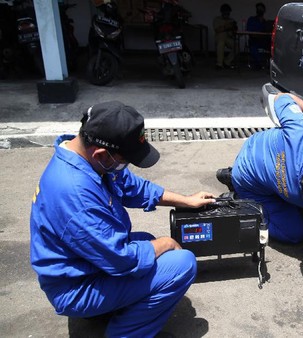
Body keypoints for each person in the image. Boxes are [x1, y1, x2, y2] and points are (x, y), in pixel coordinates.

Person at [29, 101, 216, 337]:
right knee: (181, 264)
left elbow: (133, 187)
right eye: (125, 160)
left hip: (84, 266)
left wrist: (186, 200)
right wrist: (165, 242)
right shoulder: (75, 193)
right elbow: (121, 259)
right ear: (101, 154)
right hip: (76, 288)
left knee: (149, 244)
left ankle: (112, 310)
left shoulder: (88, 160)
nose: (124, 166)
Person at [219, 93, 303, 243]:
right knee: (292, 234)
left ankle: (235, 177)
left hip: (253, 147)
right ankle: (239, 204)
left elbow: (280, 97)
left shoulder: (301, 131)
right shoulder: (299, 197)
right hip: (247, 182)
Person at [245, 2, 271, 70]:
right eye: (258, 9)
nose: (259, 10)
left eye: (261, 9)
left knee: (273, 45)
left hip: (264, 41)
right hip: (254, 40)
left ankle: (271, 65)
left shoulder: (266, 22)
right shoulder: (251, 19)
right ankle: (259, 64)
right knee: (254, 47)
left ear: (264, 11)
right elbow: (249, 31)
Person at [213, 3, 237, 69]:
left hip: (228, 38)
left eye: (228, 12)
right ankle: (219, 64)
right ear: (222, 12)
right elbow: (217, 30)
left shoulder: (231, 20)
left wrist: (233, 27)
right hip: (219, 38)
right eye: (225, 11)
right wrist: (226, 27)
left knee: (236, 46)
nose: (227, 13)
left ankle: (227, 62)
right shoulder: (217, 19)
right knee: (221, 41)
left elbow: (234, 32)